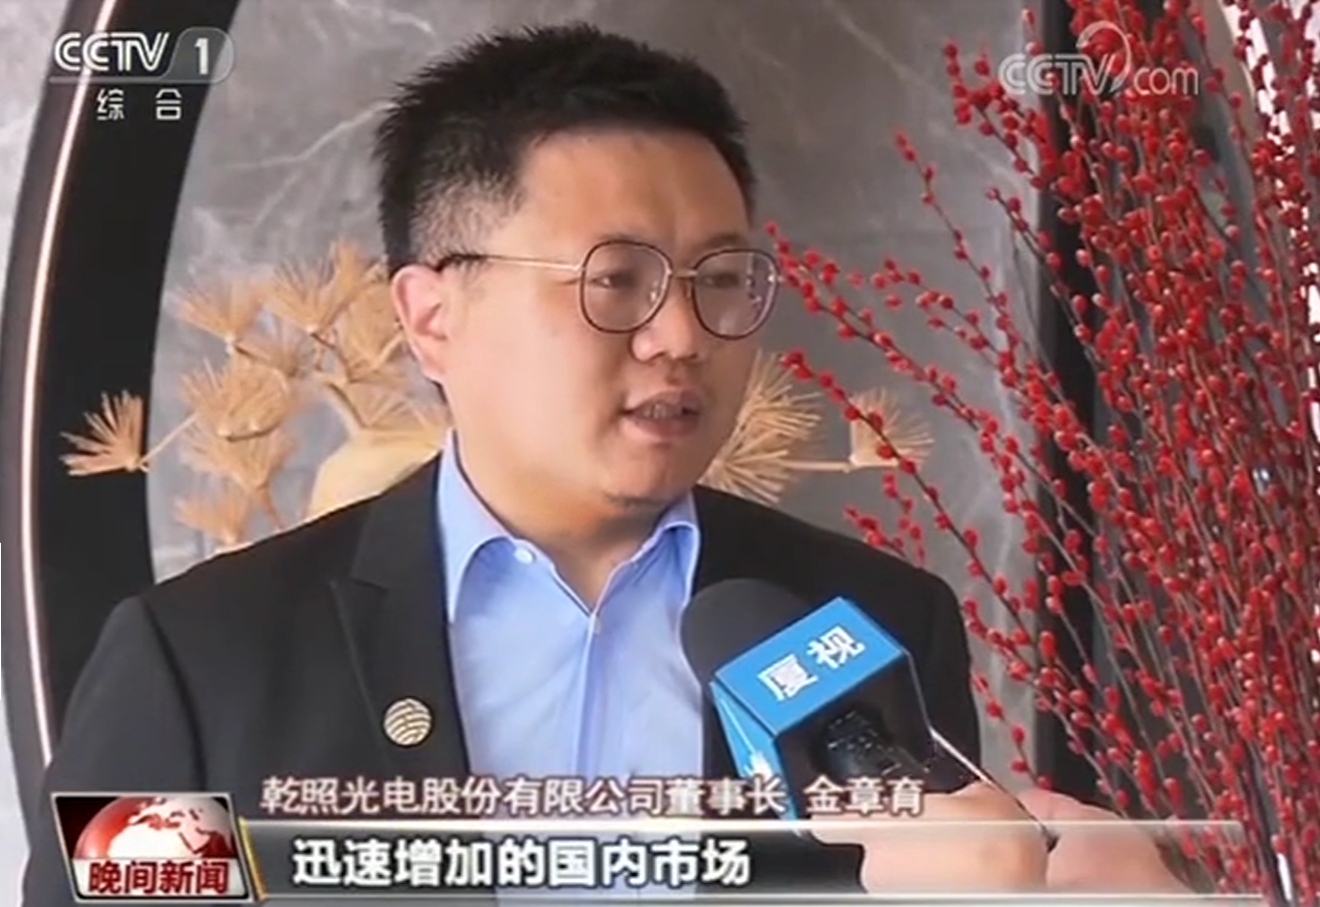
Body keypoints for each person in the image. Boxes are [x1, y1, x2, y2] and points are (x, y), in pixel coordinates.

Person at [23, 22, 1191, 903]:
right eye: (615, 280)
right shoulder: (202, 660)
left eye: (720, 280)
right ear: (431, 317)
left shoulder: (869, 623)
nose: (680, 335)